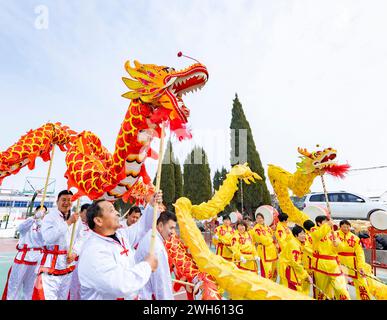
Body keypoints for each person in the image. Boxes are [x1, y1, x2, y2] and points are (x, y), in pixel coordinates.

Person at [77, 191, 162, 300]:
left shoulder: (121, 235)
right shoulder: (93, 250)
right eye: (112, 210)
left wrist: (151, 204)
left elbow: (142, 226)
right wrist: (147, 266)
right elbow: (120, 286)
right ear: (98, 220)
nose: (117, 213)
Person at [32, 190, 80, 300]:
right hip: (50, 267)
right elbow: (49, 238)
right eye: (64, 200)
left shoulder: (77, 218)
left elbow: (81, 238)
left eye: (70, 200)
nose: (67, 203)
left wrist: (75, 252)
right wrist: (68, 223)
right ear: (57, 201)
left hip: (67, 267)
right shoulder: (49, 217)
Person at [2, 205, 47, 300]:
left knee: (30, 288)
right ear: (36, 211)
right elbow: (20, 228)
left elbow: (45, 239)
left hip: (37, 259)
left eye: (44, 212)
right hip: (23, 258)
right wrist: (34, 218)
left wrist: (40, 223)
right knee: (14, 286)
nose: (41, 213)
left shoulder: (44, 225)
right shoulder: (28, 222)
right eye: (40, 211)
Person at [303, 215, 350, 300]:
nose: (328, 223)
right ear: (319, 223)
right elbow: (318, 235)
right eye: (325, 221)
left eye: (328, 221)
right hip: (321, 264)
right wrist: (328, 225)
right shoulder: (314, 231)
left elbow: (342, 248)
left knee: (341, 288)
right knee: (321, 291)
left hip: (334, 264)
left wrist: (337, 244)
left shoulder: (333, 233)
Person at [135, 211, 177, 300]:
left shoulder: (150, 237)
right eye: (171, 228)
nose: (173, 232)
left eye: (174, 228)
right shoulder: (157, 247)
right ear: (161, 226)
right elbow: (161, 284)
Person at [335, 220, 371, 300]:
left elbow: (360, 253)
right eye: (344, 226)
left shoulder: (355, 238)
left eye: (348, 227)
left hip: (353, 263)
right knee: (340, 284)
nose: (346, 228)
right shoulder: (334, 235)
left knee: (362, 282)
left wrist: (361, 266)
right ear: (340, 227)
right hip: (338, 262)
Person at [278, 225, 312, 292]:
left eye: (304, 233)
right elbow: (295, 263)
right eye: (301, 234)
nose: (304, 236)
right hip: (288, 269)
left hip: (288, 267)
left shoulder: (297, 242)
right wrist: (306, 275)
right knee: (291, 290)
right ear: (296, 235)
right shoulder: (294, 245)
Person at [69, 203, 92, 300]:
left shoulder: (92, 226)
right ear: (81, 212)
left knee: (83, 287)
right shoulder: (76, 223)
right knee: (73, 287)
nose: (87, 216)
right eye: (86, 213)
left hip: (86, 262)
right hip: (74, 260)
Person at [250, 213, 278, 281]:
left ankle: (273, 286)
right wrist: (272, 238)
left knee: (274, 271)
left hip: (273, 251)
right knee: (267, 271)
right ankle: (266, 287)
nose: (260, 219)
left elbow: (274, 238)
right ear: (256, 220)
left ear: (263, 219)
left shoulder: (268, 227)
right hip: (264, 251)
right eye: (258, 218)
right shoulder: (256, 229)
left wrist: (274, 232)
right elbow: (264, 240)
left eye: (261, 218)